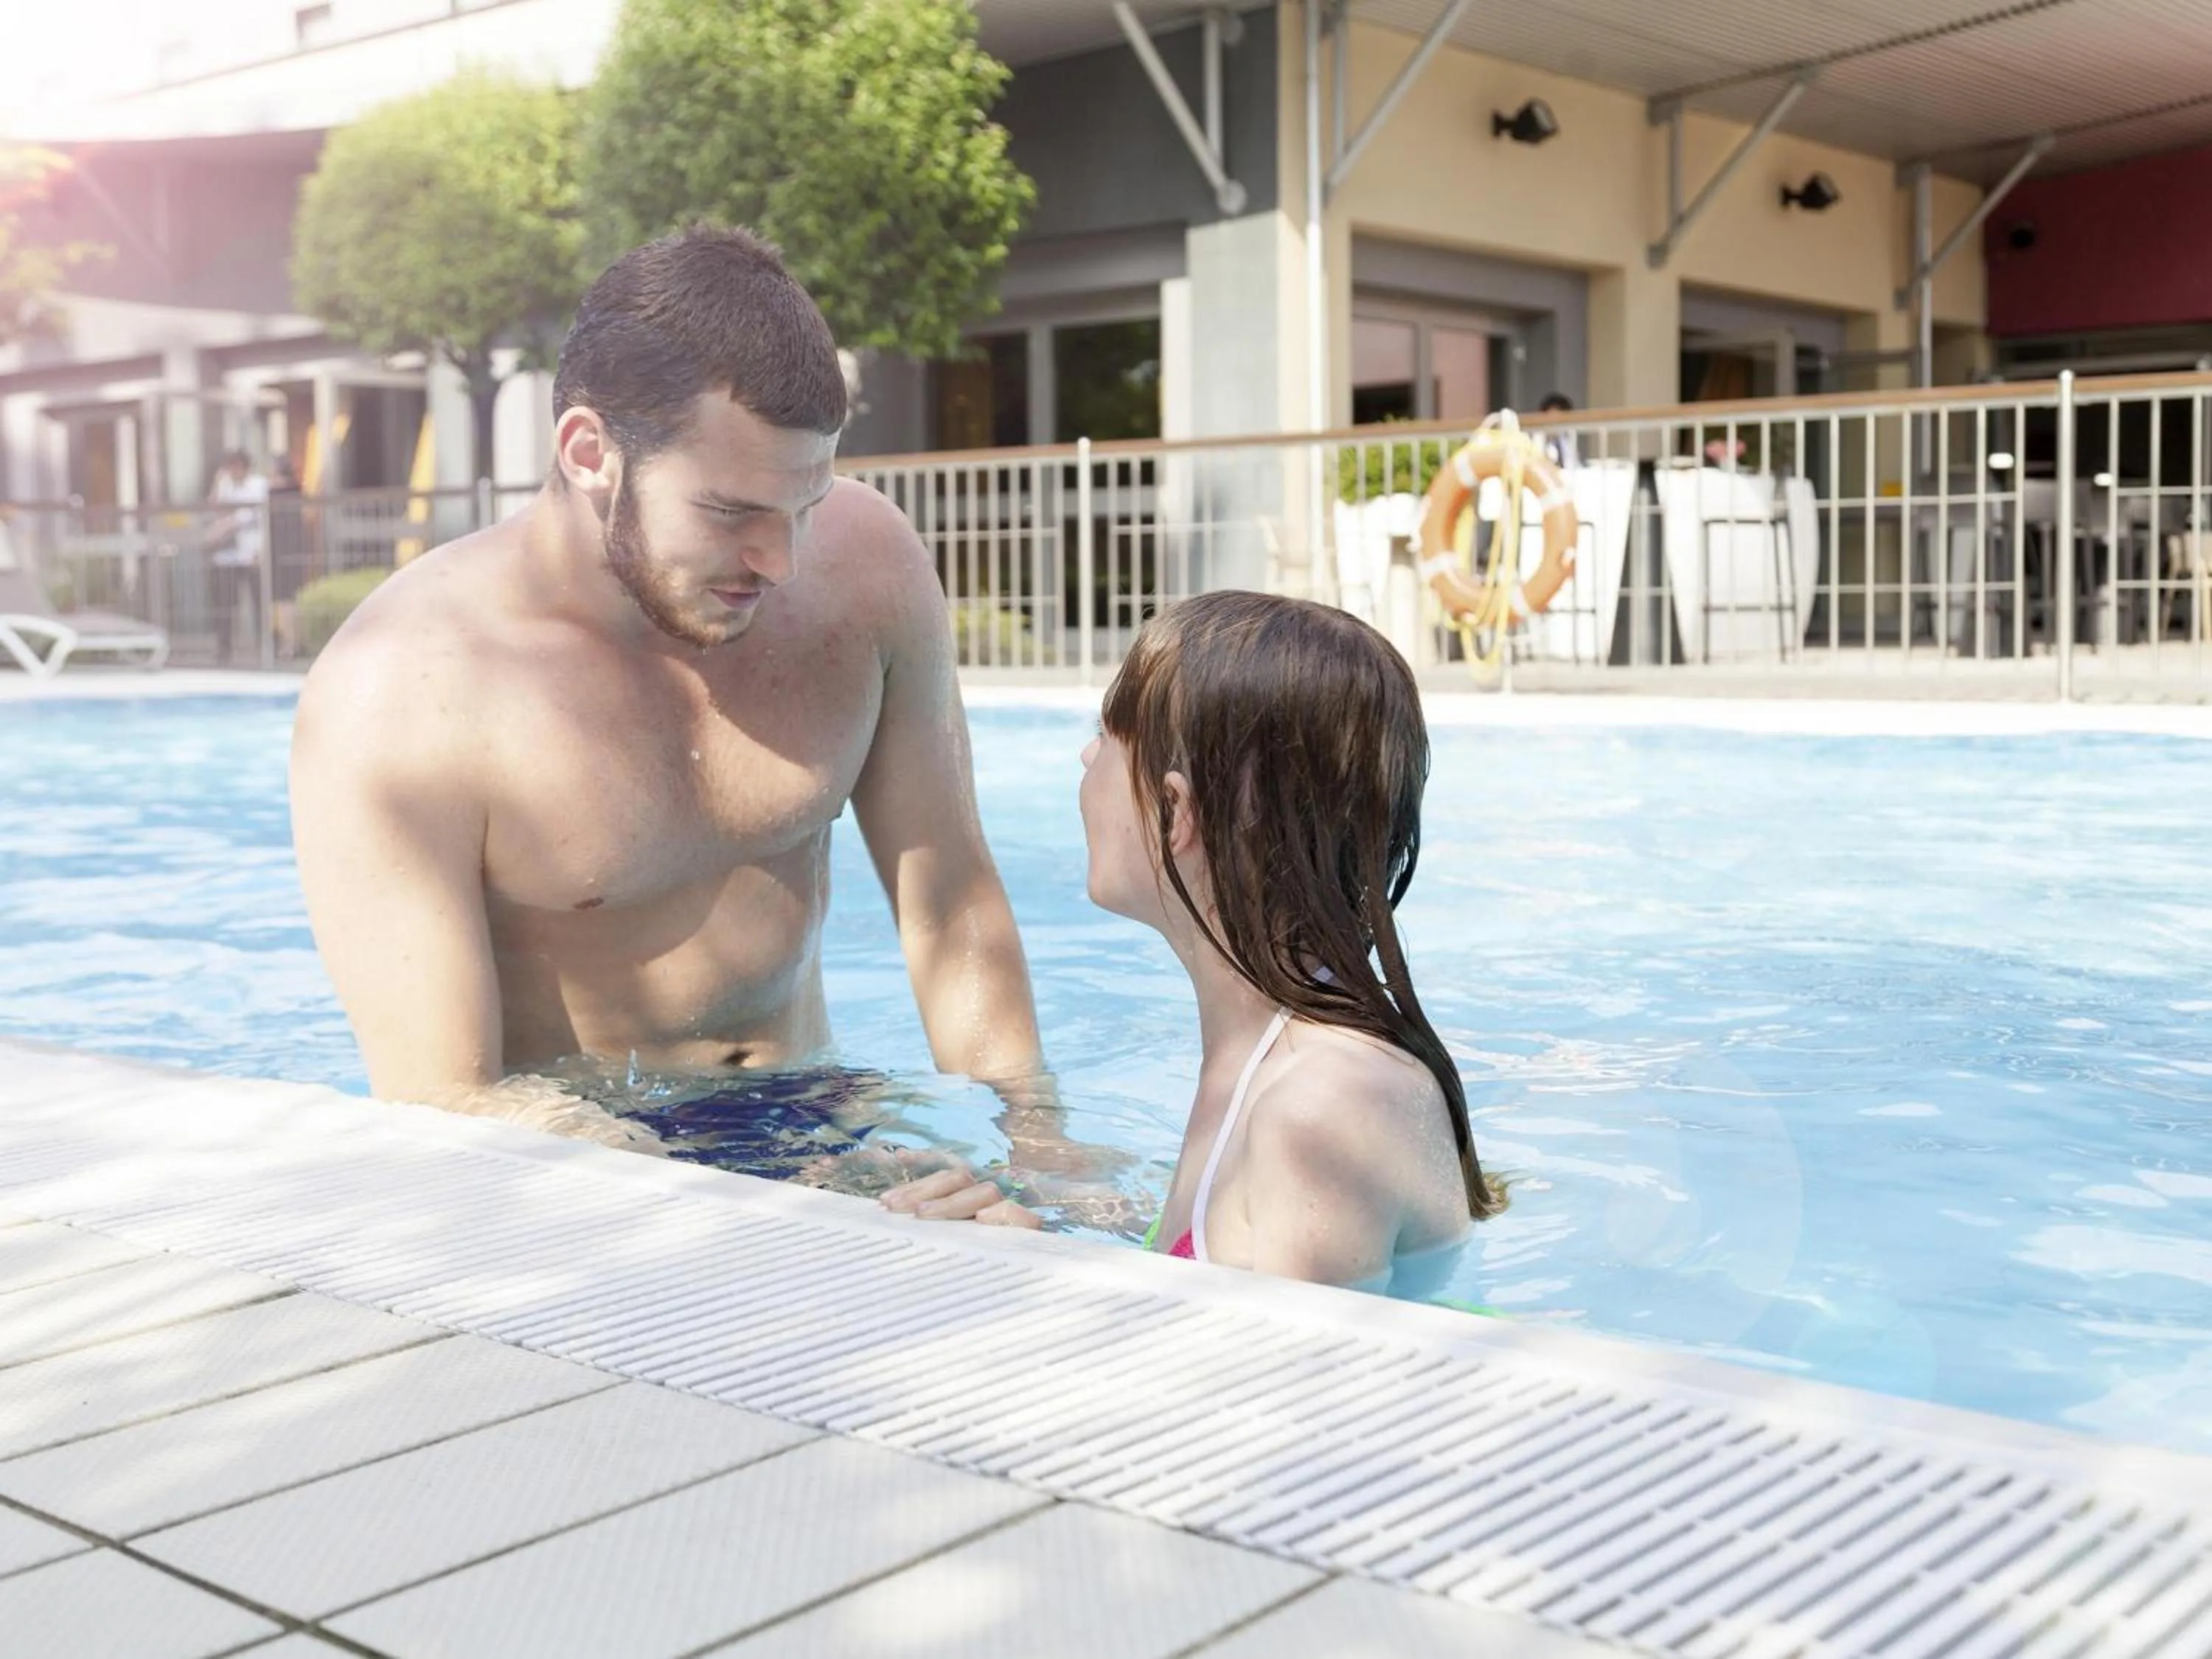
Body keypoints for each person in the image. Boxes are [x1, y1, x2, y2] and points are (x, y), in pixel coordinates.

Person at [291, 226, 1043, 1147]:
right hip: (587, 1148)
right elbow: (442, 1095)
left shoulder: (867, 568)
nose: (780, 561)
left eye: (805, 507)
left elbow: (951, 901)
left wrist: (1036, 1145)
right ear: (589, 451)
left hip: (819, 1110)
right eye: (732, 513)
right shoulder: (404, 692)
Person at [886, 592, 1505, 1288]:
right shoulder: (1265, 1063)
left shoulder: (1320, 1109)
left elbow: (1299, 1392)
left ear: (1175, 811)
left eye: (1110, 735)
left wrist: (1037, 1278)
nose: (1088, 754)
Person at [204, 451, 267, 665]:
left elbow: (247, 515)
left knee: (259, 602)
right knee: (225, 605)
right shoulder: (226, 484)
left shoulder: (258, 484)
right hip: (227, 556)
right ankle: (224, 649)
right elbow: (216, 507)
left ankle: (265, 646)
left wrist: (220, 529)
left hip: (251, 553)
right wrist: (217, 483)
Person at [1537, 392, 1580, 469]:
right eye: (1551, 421)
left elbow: (1575, 465)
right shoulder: (1536, 442)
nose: (1555, 426)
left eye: (1560, 421)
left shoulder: (1566, 441)